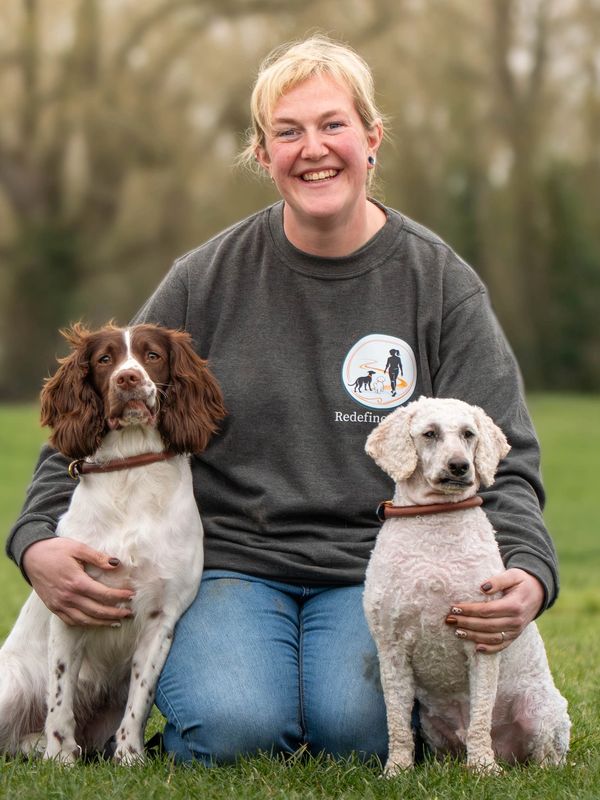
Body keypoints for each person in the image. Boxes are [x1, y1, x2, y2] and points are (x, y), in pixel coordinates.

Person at [7, 35, 558, 765]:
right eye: (287, 132)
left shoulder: (441, 284)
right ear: (262, 155)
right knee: (233, 729)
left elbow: (505, 455)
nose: (314, 149)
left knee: (355, 735)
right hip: (233, 564)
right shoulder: (206, 277)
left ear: (371, 138)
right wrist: (35, 540)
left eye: (333, 125)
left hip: (371, 569)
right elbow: (90, 422)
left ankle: (310, 706)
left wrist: (530, 569)